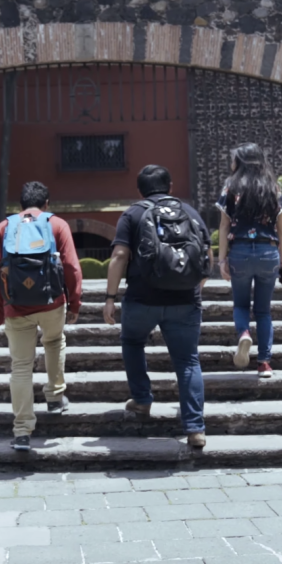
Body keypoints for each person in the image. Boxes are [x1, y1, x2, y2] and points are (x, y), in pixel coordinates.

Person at [102, 165, 214, 448]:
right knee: (188, 360)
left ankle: (141, 400)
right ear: (171, 186)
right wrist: (194, 287)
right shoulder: (190, 212)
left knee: (132, 342)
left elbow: (118, 255)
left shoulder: (133, 214)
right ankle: (195, 429)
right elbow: (206, 255)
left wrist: (110, 298)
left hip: (142, 299)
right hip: (185, 301)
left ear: (139, 190)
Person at [0, 181, 83, 452]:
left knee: (20, 366)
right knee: (54, 342)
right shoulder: (57, 225)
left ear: (20, 206)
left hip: (16, 306)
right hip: (52, 303)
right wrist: (75, 303)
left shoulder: (4, 227)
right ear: (47, 204)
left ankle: (22, 431)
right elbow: (73, 268)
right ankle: (54, 397)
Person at [216, 143, 282, 379]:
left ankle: (244, 334)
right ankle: (264, 364)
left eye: (233, 159)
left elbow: (224, 225)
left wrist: (221, 260)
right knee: (263, 311)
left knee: (240, 305)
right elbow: (281, 231)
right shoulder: (273, 188)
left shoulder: (230, 187)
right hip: (268, 253)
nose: (231, 164)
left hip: (239, 252)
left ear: (241, 162)